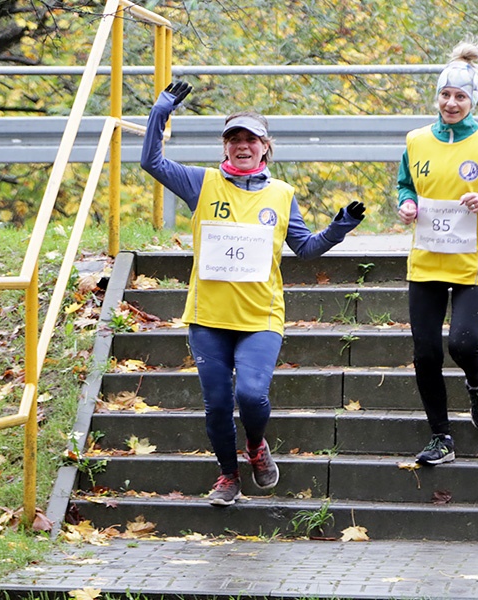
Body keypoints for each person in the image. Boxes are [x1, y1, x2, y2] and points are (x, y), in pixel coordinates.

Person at [141, 80, 366, 505]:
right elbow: (151, 161)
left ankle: (257, 447)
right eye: (233, 139)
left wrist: (338, 227)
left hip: (260, 317)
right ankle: (228, 477)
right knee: (218, 405)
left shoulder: (282, 195)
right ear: (224, 147)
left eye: (250, 139)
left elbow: (305, 247)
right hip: (208, 316)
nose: (242, 146)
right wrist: (160, 112)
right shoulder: (201, 184)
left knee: (250, 395)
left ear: (266, 146)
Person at [397, 39, 478, 466]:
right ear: (437, 96)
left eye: (461, 96)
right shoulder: (416, 141)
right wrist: (407, 204)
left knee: (464, 343)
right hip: (426, 261)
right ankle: (441, 437)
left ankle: (477, 385)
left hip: (473, 261)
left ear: (473, 100)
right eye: (446, 95)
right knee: (426, 352)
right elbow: (405, 185)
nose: (451, 103)